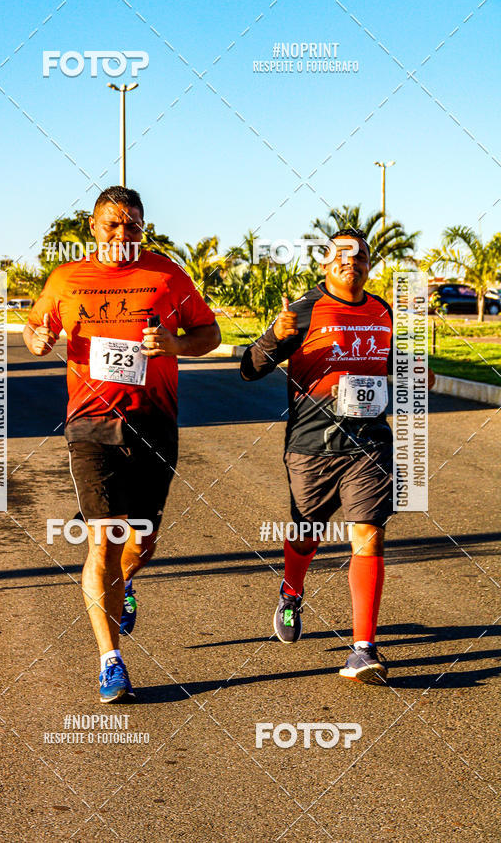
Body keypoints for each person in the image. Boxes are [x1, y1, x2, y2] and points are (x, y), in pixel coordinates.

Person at [23, 186, 220, 702]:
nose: (121, 233)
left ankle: (126, 583)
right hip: (89, 425)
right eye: (111, 223)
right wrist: (37, 338)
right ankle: (111, 660)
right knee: (104, 538)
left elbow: (210, 333)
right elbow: (35, 325)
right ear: (93, 228)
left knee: (142, 540)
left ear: (142, 229)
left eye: (132, 224)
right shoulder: (67, 277)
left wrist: (176, 344)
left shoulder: (166, 275)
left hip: (154, 422)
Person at [240, 229, 435, 685]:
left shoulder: (384, 311)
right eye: (343, 254)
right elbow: (249, 369)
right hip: (312, 446)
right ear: (326, 263)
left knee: (368, 535)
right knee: (307, 532)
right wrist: (273, 337)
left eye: (362, 255)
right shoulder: (303, 309)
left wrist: (416, 370)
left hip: (370, 444)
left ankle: (363, 649)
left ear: (370, 265)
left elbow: (404, 375)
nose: (354, 261)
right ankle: (291, 590)